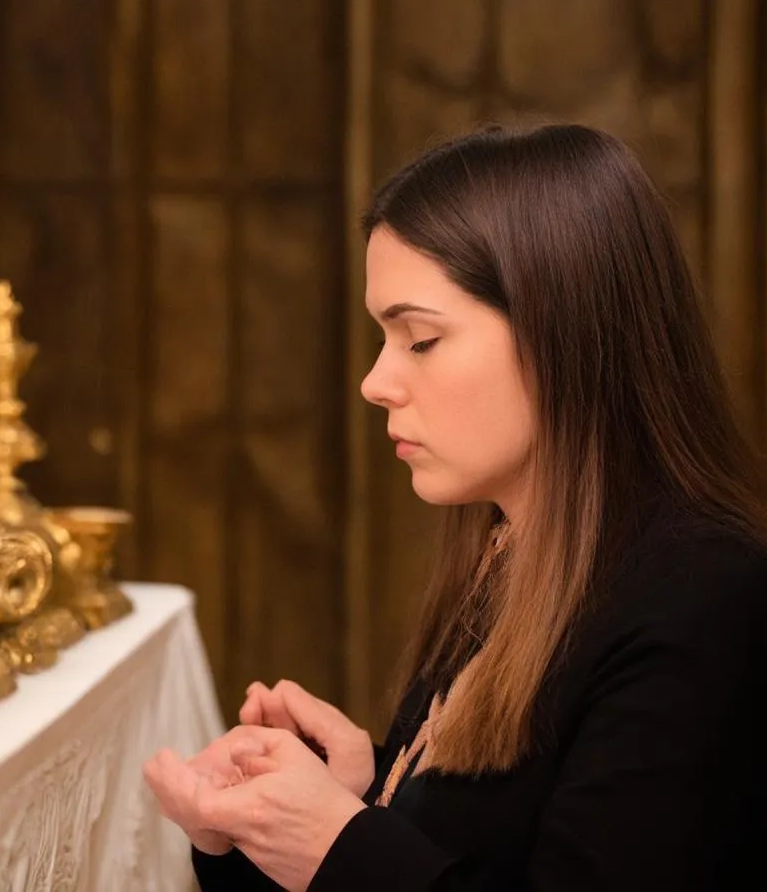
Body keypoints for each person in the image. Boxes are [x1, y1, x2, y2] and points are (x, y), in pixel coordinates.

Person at [143, 124, 767, 891]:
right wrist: (348, 794)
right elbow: (486, 838)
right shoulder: (511, 541)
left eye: (421, 340)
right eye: (384, 338)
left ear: (561, 331)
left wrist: (341, 842)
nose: (376, 382)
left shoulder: (702, 596)